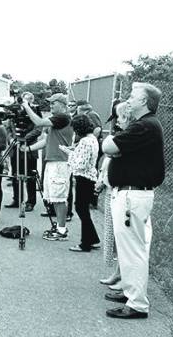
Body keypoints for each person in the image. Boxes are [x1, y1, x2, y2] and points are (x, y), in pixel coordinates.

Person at [103, 82, 164, 319]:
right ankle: (130, 292)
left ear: (143, 102)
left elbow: (108, 145)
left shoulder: (144, 126)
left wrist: (114, 149)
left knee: (133, 250)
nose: (128, 99)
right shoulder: (143, 125)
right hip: (131, 194)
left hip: (132, 195)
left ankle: (137, 303)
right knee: (131, 248)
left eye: (132, 96)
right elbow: (112, 149)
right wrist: (115, 150)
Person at [21, 93, 74, 241]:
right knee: (54, 196)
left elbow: (38, 122)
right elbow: (46, 141)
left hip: (60, 162)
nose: (51, 106)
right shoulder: (56, 121)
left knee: (59, 197)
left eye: (54, 103)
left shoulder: (62, 118)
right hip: (52, 161)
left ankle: (62, 230)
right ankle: (59, 226)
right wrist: (29, 149)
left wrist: (26, 106)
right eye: (50, 103)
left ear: (63, 105)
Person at [97, 100, 128, 286]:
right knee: (114, 234)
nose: (115, 123)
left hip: (123, 191)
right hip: (112, 188)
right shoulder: (119, 134)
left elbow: (109, 151)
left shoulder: (127, 136)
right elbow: (108, 159)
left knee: (122, 237)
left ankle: (123, 275)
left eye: (119, 118)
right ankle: (118, 272)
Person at [60, 114, 99, 252]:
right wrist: (73, 151)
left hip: (84, 177)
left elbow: (80, 164)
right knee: (83, 210)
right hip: (90, 177)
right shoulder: (92, 139)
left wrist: (70, 156)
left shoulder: (84, 142)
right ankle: (93, 238)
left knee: (81, 209)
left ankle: (86, 243)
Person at [4, 92, 41, 212]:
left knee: (30, 176)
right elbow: (9, 128)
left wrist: (25, 139)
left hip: (30, 148)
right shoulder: (15, 112)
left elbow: (38, 128)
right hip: (15, 148)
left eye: (27, 101)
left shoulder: (35, 111)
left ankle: (30, 201)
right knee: (16, 174)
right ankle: (17, 199)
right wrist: (12, 139)